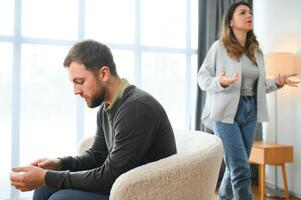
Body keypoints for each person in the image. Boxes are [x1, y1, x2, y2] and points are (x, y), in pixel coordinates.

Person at [10, 39, 177, 200]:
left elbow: (110, 177)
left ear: (104, 73)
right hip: (120, 185)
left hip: (140, 193)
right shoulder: (107, 108)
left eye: (80, 82)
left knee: (61, 197)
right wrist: (60, 164)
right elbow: (97, 155)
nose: (75, 91)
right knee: (45, 187)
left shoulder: (136, 108)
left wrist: (47, 176)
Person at [197, 1, 299, 200]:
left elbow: (259, 87)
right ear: (231, 22)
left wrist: (277, 83)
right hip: (225, 113)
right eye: (242, 12)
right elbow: (202, 77)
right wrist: (221, 82)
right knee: (242, 168)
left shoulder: (256, 52)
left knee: (236, 164)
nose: (248, 14)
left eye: (250, 11)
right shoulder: (219, 47)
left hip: (250, 111)